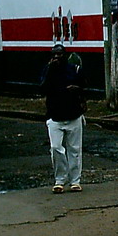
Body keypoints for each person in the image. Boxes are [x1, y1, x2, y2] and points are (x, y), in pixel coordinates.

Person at [39, 44, 85, 193]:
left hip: (74, 115)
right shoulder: (48, 70)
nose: (57, 57)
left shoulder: (74, 69)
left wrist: (77, 90)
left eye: (60, 54)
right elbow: (41, 89)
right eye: (54, 54)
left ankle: (75, 181)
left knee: (75, 150)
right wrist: (50, 70)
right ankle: (60, 179)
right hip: (54, 116)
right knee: (55, 148)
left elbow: (84, 87)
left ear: (65, 55)